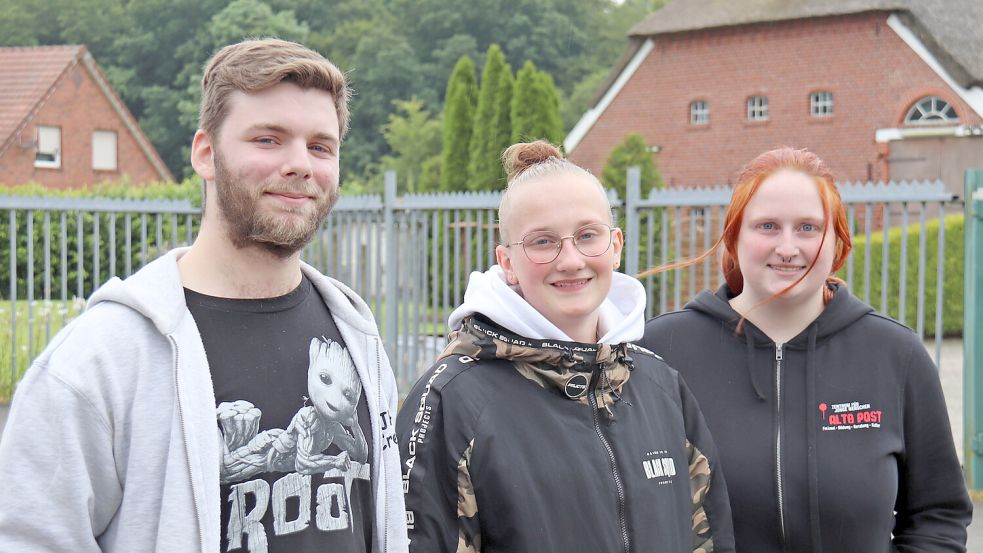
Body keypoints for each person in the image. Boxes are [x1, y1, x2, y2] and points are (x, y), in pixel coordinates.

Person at [0, 38, 408, 552]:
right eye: (268, 139)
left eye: (320, 146)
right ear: (206, 154)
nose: (300, 163)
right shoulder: (100, 361)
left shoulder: (356, 337)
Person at [396, 140, 735, 552]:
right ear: (507, 263)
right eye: (542, 242)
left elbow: (710, 539)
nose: (570, 260)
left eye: (587, 235)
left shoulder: (662, 387)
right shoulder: (453, 401)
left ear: (615, 246)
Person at [638, 146, 972, 552]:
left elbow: (939, 515)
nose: (788, 247)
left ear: (838, 242)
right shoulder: (661, 351)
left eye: (808, 228)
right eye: (767, 226)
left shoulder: (895, 355)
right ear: (733, 236)